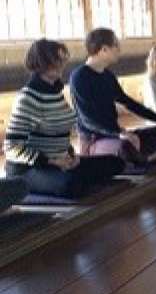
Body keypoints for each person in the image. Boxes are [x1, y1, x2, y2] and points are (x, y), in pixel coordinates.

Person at [5, 39, 124, 197]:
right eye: (56, 60)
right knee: (71, 184)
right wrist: (50, 161)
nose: (61, 64)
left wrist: (70, 155)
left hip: (59, 163)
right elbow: (11, 147)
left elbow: (60, 132)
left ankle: (73, 178)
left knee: (115, 163)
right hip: (30, 169)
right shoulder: (27, 97)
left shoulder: (56, 93)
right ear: (42, 62)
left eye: (62, 60)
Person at [70, 29, 156, 166]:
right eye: (116, 46)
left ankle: (137, 156)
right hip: (94, 139)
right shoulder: (80, 77)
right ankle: (140, 157)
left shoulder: (108, 75)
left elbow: (128, 103)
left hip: (116, 134)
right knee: (126, 146)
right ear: (104, 49)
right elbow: (87, 120)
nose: (119, 50)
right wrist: (118, 133)